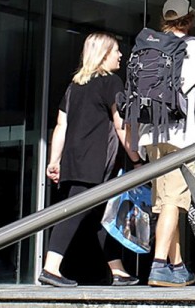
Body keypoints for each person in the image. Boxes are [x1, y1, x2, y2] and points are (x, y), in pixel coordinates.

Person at [133, 0, 195, 287]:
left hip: (151, 135)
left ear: (165, 19)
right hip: (181, 137)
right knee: (175, 200)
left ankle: (177, 266)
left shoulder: (149, 46)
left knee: (165, 201)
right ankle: (160, 265)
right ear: (190, 19)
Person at [38, 32, 143, 288]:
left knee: (100, 216)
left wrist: (55, 160)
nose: (121, 55)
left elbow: (61, 124)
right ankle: (51, 268)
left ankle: (118, 271)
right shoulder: (111, 82)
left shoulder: (75, 85)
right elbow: (120, 125)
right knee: (74, 213)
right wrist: (137, 159)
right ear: (104, 54)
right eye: (116, 50)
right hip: (95, 163)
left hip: (75, 161)